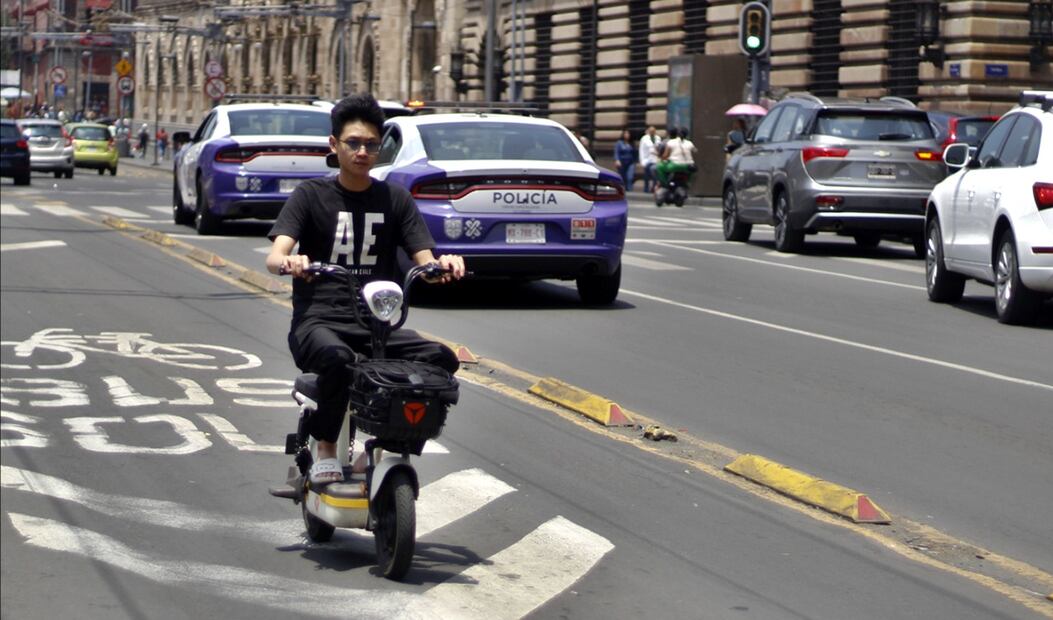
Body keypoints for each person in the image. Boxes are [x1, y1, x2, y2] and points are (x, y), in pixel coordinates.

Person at [265, 93, 466, 485]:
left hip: (377, 328)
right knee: (339, 359)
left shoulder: (394, 198)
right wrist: (292, 261)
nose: (362, 152)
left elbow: (425, 260)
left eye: (371, 144)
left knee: (440, 361)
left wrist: (443, 266)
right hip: (318, 323)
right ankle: (325, 446)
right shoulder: (310, 195)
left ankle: (383, 446)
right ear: (334, 145)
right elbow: (275, 255)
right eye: (353, 143)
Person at [655, 127, 697, 192]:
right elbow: (695, 151)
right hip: (688, 166)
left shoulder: (671, 142)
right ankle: (688, 182)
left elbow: (665, 155)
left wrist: (662, 158)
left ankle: (666, 183)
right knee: (691, 172)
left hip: (674, 166)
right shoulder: (689, 143)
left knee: (659, 167)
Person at [638, 125, 660, 193]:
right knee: (646, 175)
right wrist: (642, 161)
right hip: (647, 160)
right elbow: (641, 150)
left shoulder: (658, 138)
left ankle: (653, 187)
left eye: (653, 131)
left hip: (655, 160)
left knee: (654, 174)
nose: (652, 132)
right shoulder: (644, 138)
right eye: (651, 131)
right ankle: (646, 188)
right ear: (648, 131)